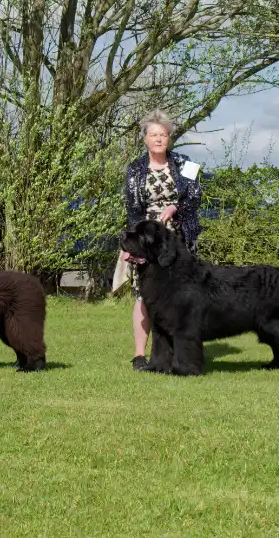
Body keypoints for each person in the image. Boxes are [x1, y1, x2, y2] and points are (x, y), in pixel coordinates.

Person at [120, 111, 204, 371]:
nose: (158, 139)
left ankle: (181, 353)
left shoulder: (185, 163)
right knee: (143, 296)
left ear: (169, 138)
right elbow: (132, 209)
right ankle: (140, 355)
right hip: (147, 242)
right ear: (145, 139)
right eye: (153, 134)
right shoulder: (134, 169)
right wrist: (137, 241)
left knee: (182, 298)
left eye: (163, 134)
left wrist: (175, 208)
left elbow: (196, 195)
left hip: (178, 239)